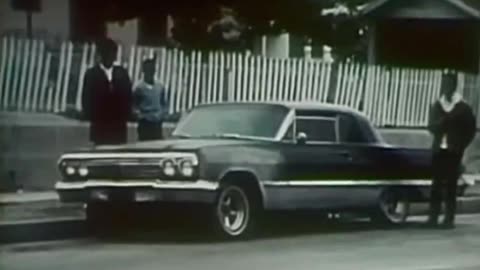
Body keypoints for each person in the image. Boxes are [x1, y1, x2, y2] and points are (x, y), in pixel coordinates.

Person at [426, 72, 476, 229]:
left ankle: (449, 219)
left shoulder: (463, 108)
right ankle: (433, 218)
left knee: (451, 185)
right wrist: (441, 123)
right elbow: (431, 127)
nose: (445, 88)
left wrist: (461, 145)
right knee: (436, 185)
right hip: (439, 150)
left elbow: (471, 130)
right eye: (443, 85)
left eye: (448, 84)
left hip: (454, 151)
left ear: (453, 86)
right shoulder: (437, 105)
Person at [81, 38, 133, 146]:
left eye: (113, 52)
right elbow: (87, 98)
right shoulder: (92, 74)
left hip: (118, 125)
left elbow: (128, 97)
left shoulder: (121, 73)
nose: (111, 55)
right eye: (108, 52)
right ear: (102, 54)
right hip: (100, 124)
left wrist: (126, 114)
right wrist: (91, 116)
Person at [133, 56, 169, 141]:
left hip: (157, 122)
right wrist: (140, 115)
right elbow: (134, 105)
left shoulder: (160, 86)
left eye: (152, 69)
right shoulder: (139, 88)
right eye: (148, 69)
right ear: (144, 71)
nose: (151, 72)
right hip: (145, 123)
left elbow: (164, 103)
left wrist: (162, 114)